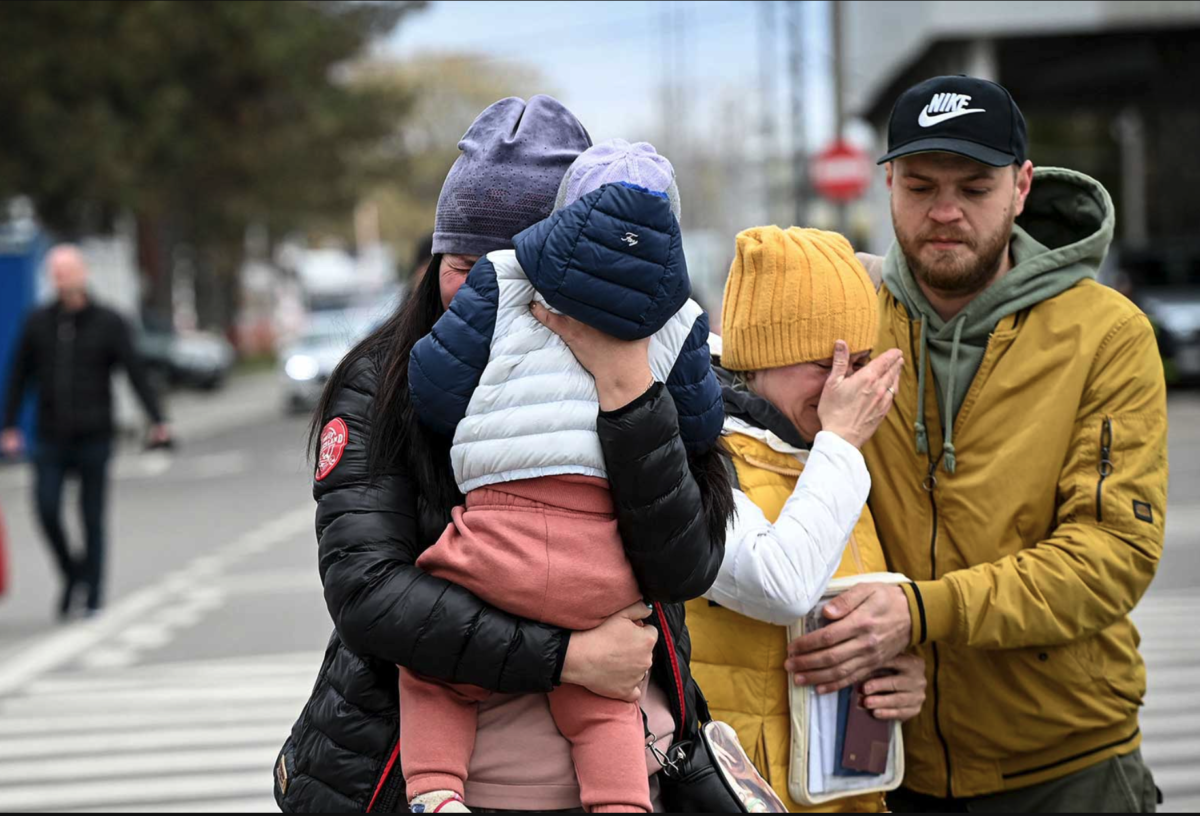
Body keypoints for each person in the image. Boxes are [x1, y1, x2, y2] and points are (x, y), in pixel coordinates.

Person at [275, 97, 733, 813]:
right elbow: (369, 592)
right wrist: (566, 658)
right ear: (433, 262)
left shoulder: (655, 357)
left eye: (516, 266)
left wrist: (627, 394)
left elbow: (687, 563)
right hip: (420, 769)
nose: (491, 292)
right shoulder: (382, 384)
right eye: (466, 264)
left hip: (621, 769)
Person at [786, 75, 1167, 812]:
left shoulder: (1107, 335)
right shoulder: (846, 324)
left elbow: (1113, 555)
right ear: (887, 181)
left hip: (1069, 768)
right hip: (889, 766)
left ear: (1022, 186)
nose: (946, 212)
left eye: (976, 187)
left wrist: (923, 616)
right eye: (921, 186)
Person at [402, 140, 724, 814]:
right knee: (607, 703)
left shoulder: (508, 280)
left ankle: (434, 789)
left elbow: (432, 389)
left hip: (498, 540)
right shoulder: (683, 317)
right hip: (602, 566)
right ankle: (624, 804)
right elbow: (698, 431)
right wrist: (637, 389)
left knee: (433, 673)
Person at [688, 226, 923, 813]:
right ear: (762, 356)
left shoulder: (827, 454)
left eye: (863, 363)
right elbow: (782, 586)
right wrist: (841, 444)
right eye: (828, 363)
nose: (848, 386)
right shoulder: (697, 454)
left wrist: (898, 679)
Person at [1, 245, 171, 617]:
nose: (61, 278)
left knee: (91, 516)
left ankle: (92, 592)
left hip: (95, 433)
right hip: (50, 434)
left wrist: (157, 419)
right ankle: (72, 573)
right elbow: (18, 376)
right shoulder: (38, 322)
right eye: (55, 272)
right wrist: (10, 425)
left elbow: (135, 372)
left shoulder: (109, 321)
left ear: (83, 273)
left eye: (67, 270)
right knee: (46, 509)